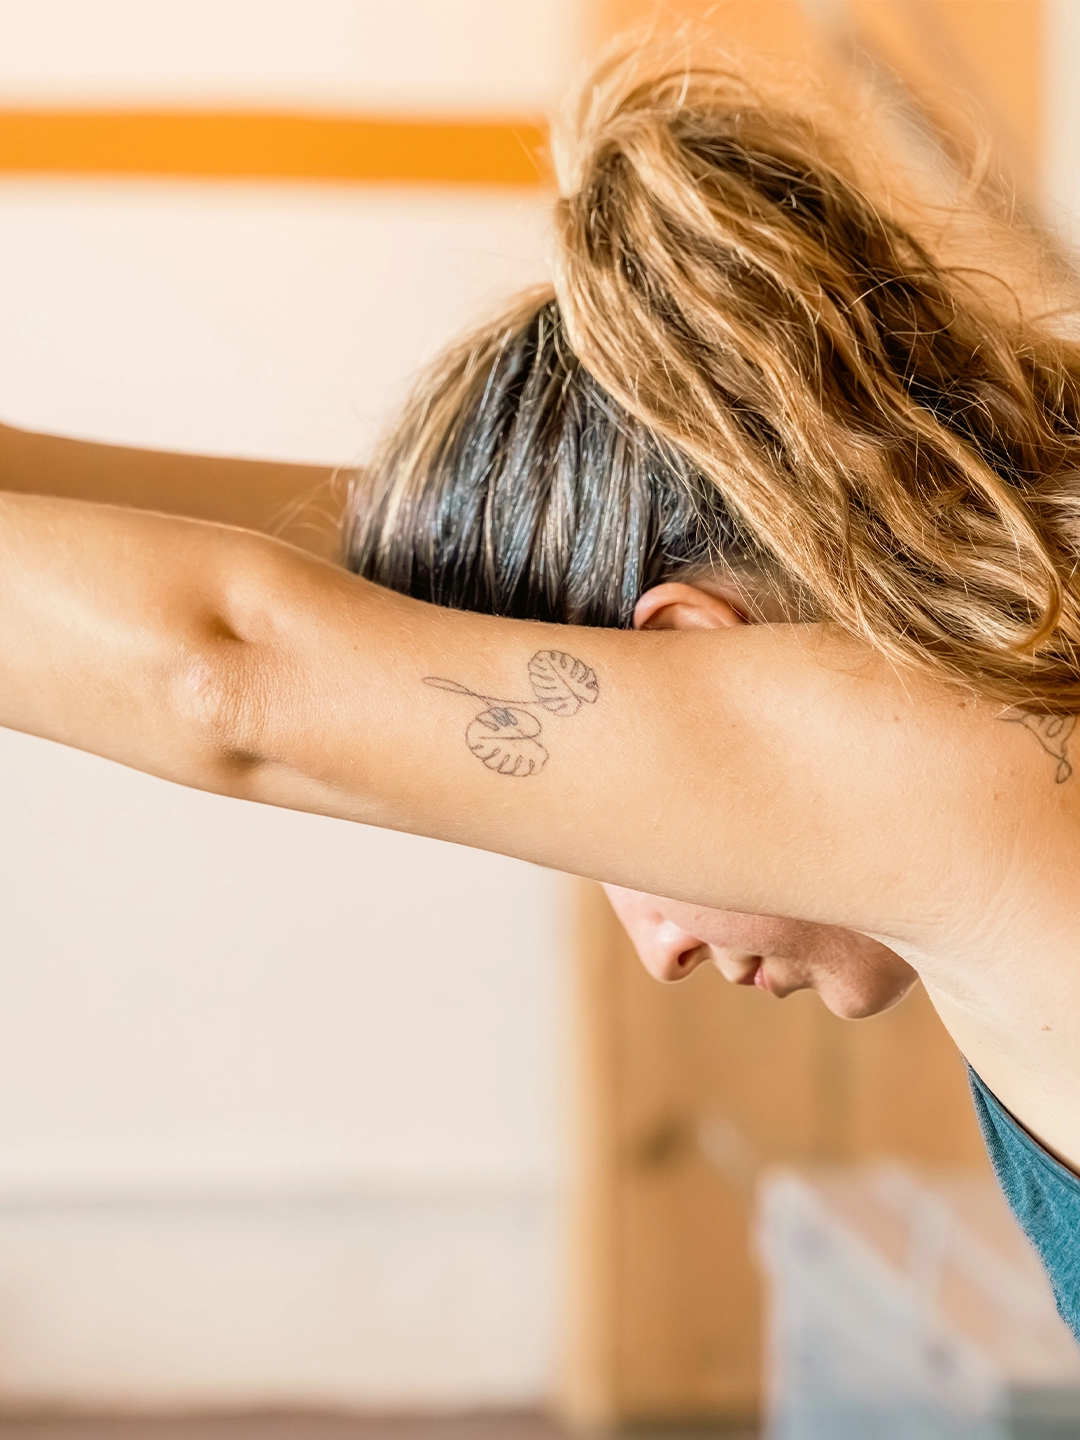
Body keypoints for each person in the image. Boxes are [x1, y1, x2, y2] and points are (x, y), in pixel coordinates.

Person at [1, 47, 1080, 1334]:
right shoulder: (1016, 668)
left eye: (614, 837)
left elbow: (222, 673)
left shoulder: (966, 771)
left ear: (694, 653)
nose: (662, 949)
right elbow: (375, 563)